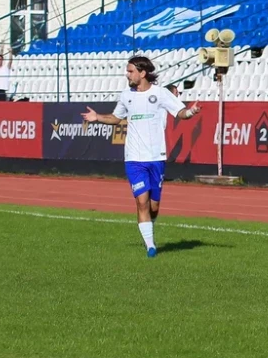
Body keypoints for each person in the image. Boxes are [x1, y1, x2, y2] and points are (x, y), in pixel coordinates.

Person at [81, 57, 200, 257]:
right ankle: (151, 246)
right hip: (134, 158)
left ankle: (149, 226)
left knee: (154, 206)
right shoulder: (126, 95)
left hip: (156, 157)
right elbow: (116, 118)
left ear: (142, 73)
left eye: (130, 71)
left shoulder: (160, 93)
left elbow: (180, 112)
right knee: (141, 202)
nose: (127, 75)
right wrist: (97, 118)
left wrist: (191, 112)